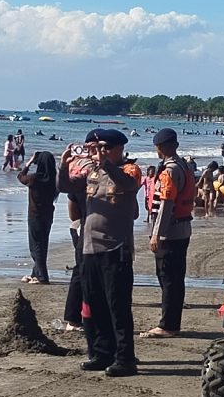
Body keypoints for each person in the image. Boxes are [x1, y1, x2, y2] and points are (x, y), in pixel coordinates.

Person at [61, 128, 142, 376]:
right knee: (95, 304)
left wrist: (106, 164)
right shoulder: (91, 171)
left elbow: (128, 185)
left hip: (115, 247)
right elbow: (65, 187)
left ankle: (125, 358)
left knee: (117, 305)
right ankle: (100, 352)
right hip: (89, 247)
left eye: (106, 147)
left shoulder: (129, 169)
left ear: (119, 148)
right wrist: (64, 166)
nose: (101, 151)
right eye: (98, 147)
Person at [144, 128, 195, 338]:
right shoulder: (182, 165)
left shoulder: (170, 170)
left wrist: (157, 233)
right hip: (181, 229)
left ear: (160, 147)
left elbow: (166, 203)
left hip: (171, 232)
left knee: (168, 278)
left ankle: (168, 325)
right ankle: (171, 322)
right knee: (174, 278)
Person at [19, 148, 59, 284]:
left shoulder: (35, 179)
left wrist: (29, 163)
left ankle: (42, 276)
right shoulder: (54, 180)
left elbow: (20, 177)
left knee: (35, 245)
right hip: (48, 214)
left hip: (35, 215)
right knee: (42, 243)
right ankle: (35, 273)